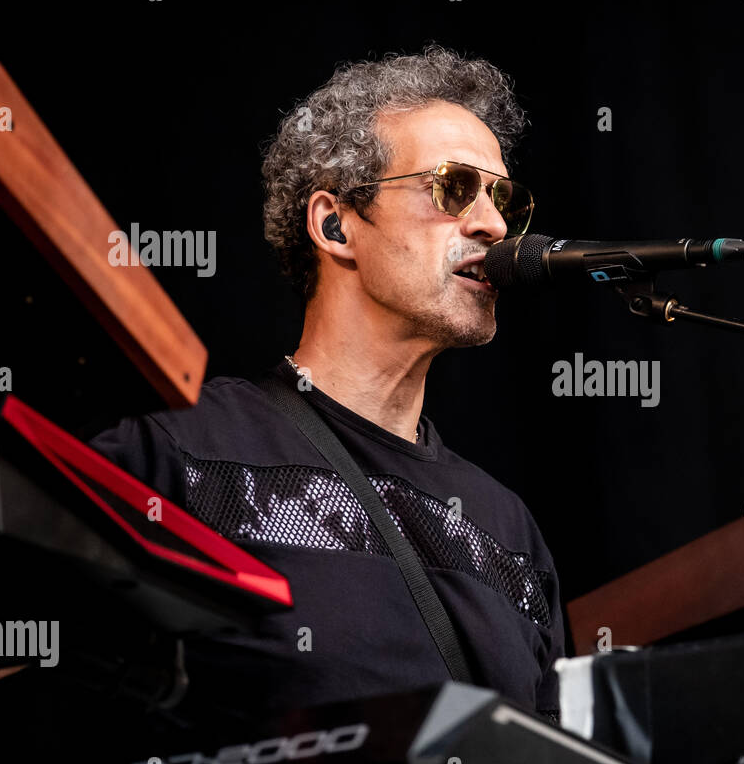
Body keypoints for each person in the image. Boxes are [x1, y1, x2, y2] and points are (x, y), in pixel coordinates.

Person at [81, 45, 563, 726]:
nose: (492, 225)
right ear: (336, 225)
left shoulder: (509, 528)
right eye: (453, 187)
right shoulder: (177, 455)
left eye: (502, 198)